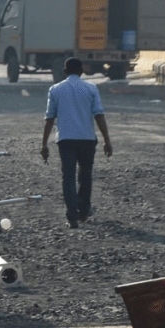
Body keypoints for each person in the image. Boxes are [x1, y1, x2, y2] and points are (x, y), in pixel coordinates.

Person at [41, 57, 113, 228]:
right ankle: (83, 211)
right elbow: (99, 115)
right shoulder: (91, 88)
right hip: (87, 139)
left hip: (65, 139)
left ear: (64, 71)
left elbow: (49, 119)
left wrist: (44, 144)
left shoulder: (55, 90)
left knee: (68, 177)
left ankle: (72, 216)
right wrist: (107, 140)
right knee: (85, 176)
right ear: (82, 71)